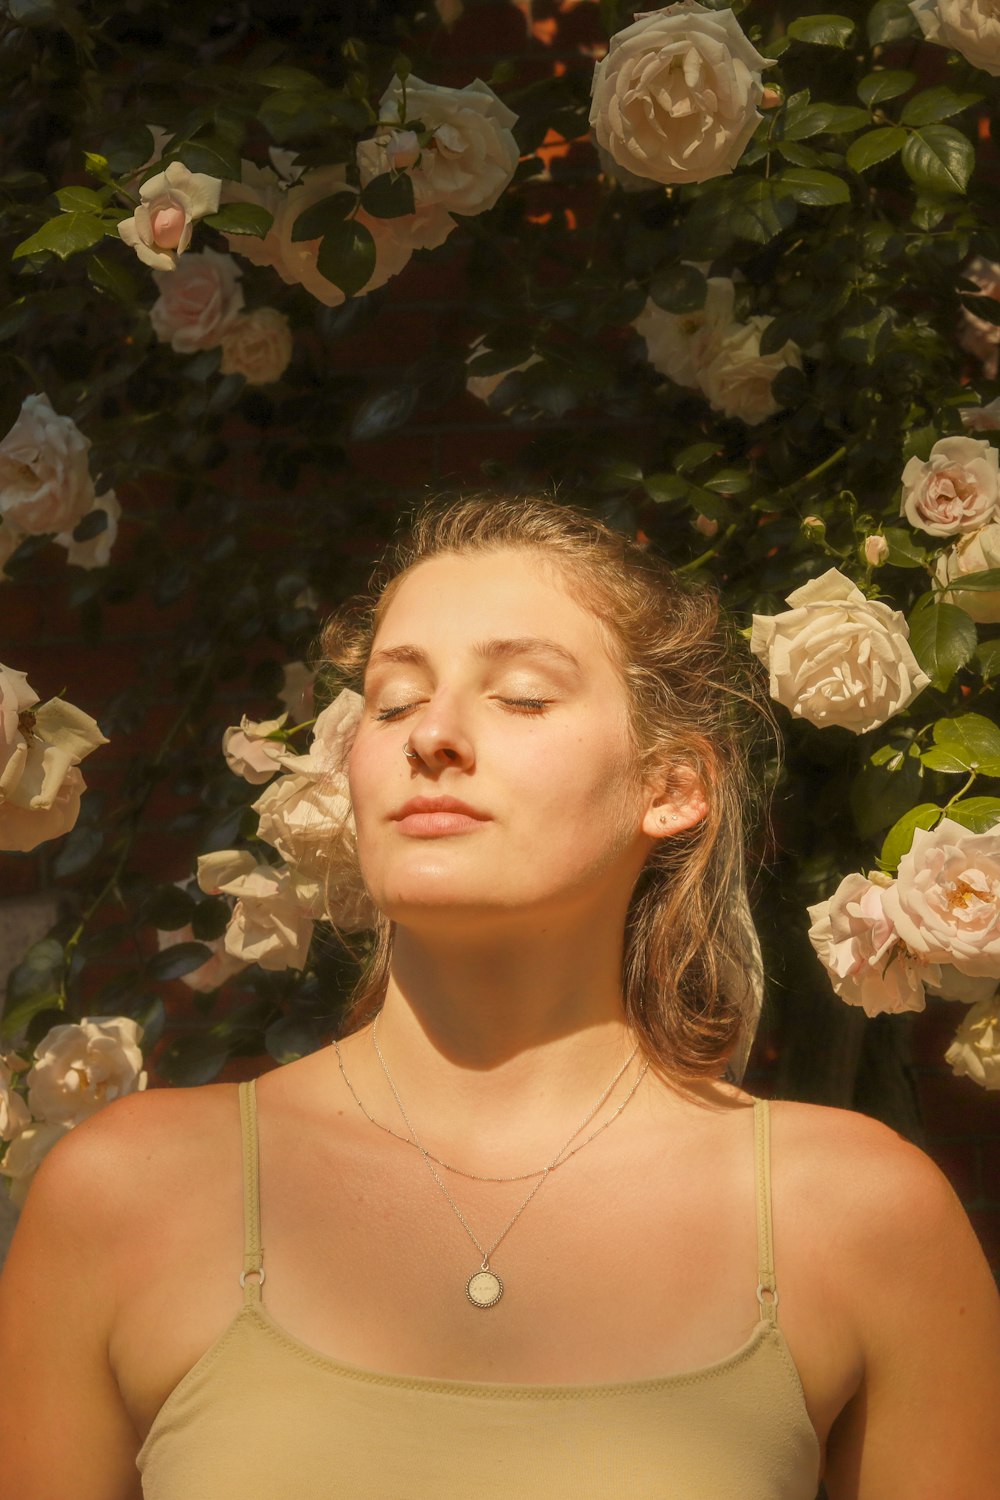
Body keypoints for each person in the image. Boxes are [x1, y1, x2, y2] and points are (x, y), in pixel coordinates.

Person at [1, 494, 999, 1500]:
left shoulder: (856, 1219)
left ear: (671, 786)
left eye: (521, 695)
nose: (430, 734)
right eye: (390, 702)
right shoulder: (128, 1200)